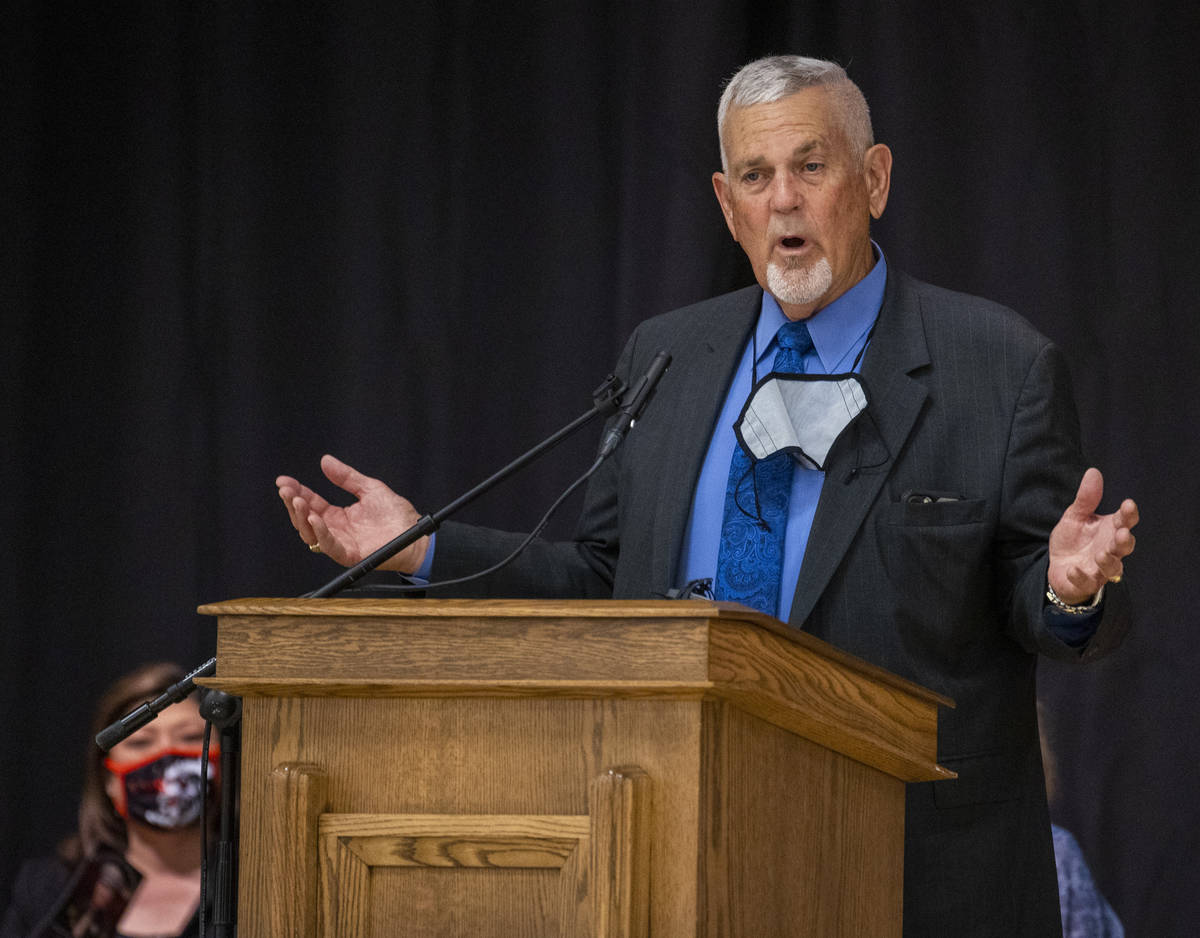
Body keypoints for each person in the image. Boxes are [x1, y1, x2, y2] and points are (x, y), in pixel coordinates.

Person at [276, 55, 1139, 935]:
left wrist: (1068, 588)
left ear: (873, 179)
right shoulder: (669, 356)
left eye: (812, 166)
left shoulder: (996, 364)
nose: (785, 202)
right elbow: (603, 583)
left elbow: (1050, 603)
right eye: (757, 178)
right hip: (672, 850)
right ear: (728, 207)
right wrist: (422, 548)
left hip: (912, 872)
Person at [1, 663, 217, 938]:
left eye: (190, 737)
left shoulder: (255, 887)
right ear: (108, 779)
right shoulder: (49, 891)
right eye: (141, 742)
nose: (166, 753)